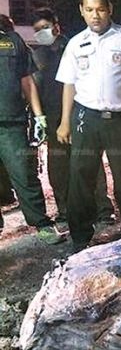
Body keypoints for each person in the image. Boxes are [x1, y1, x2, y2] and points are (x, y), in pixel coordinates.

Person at [56, 0, 121, 252]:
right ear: (81, 11)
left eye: (100, 9)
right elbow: (69, 84)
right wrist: (65, 121)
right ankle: (80, 236)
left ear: (110, 8)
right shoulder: (76, 43)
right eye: (89, 10)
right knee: (81, 176)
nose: (95, 15)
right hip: (86, 119)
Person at [32, 8, 115, 229]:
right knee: (58, 168)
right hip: (52, 118)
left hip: (80, 114)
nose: (41, 32)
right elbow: (33, 87)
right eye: (37, 30)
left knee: (90, 163)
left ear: (56, 27)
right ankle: (65, 211)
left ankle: (103, 210)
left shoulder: (75, 46)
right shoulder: (37, 55)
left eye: (45, 27)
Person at [0, 14, 64, 243]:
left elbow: (26, 80)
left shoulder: (12, 40)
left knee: (25, 174)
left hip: (12, 123)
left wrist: (39, 117)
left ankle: (42, 224)